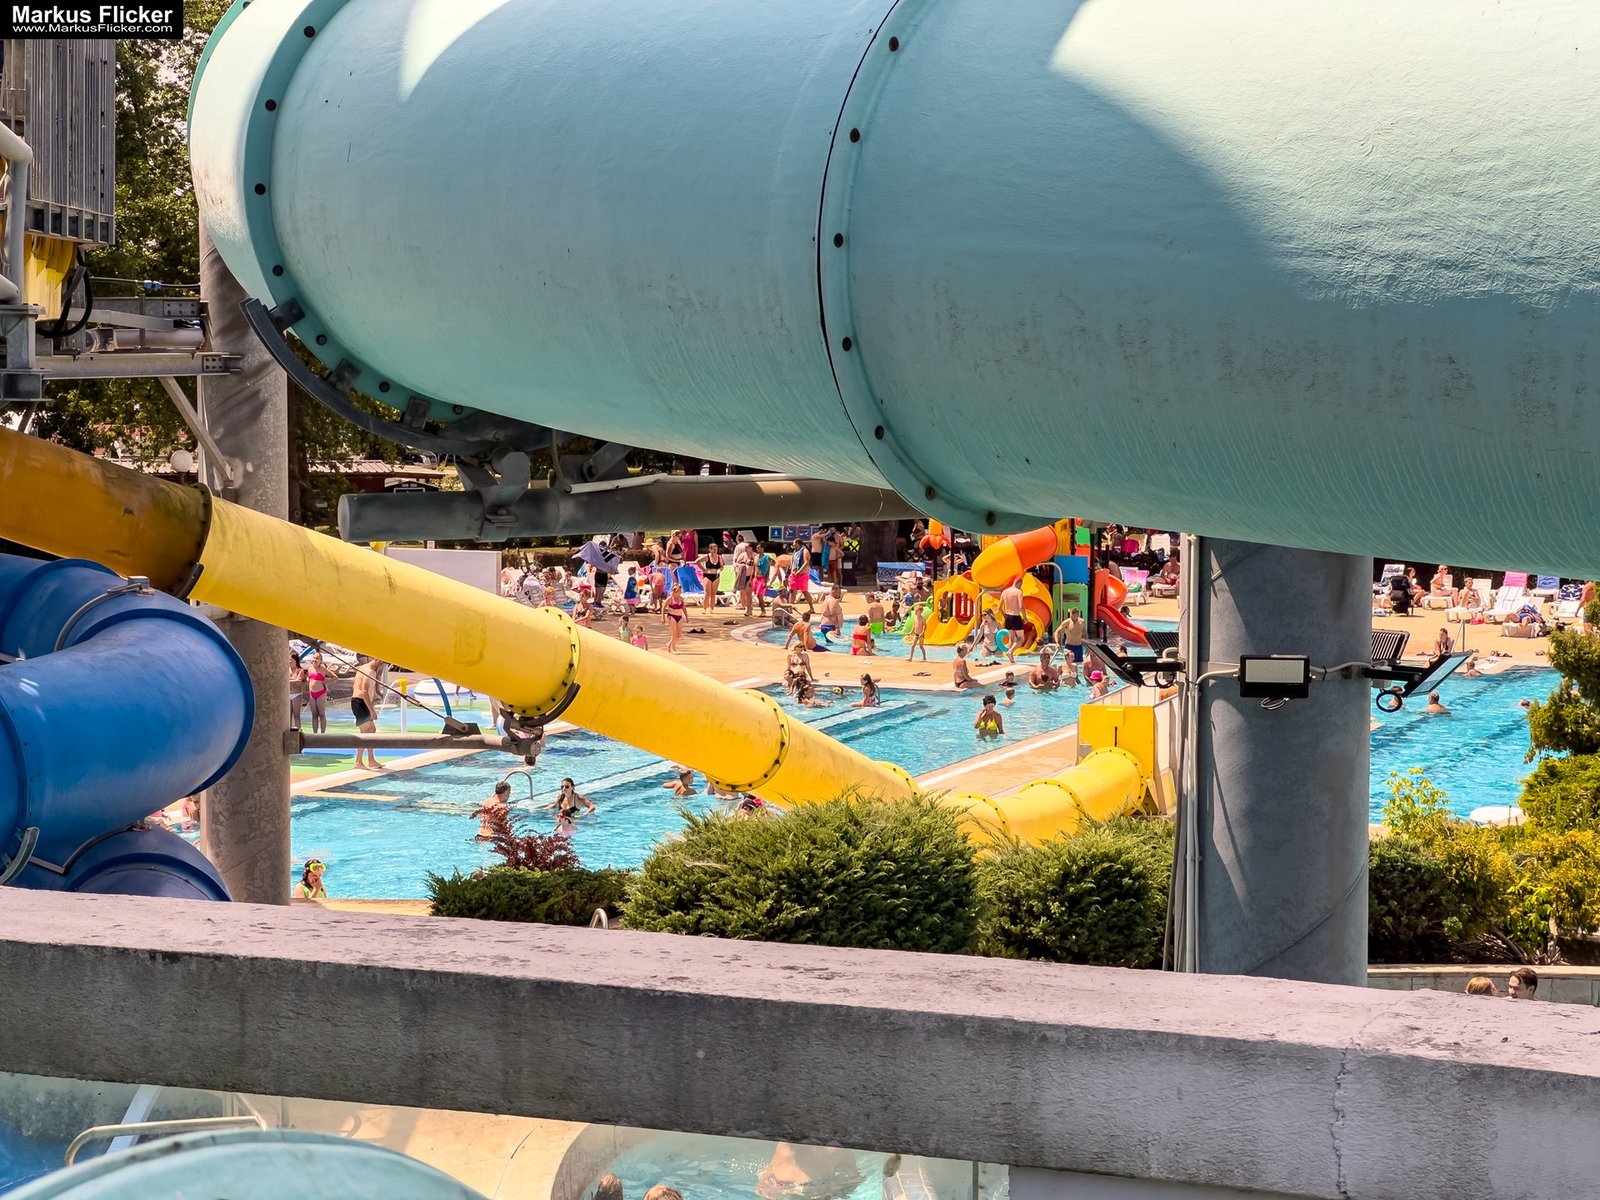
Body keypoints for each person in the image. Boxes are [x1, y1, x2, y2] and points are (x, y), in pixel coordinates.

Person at [351, 657, 385, 770]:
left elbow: (356, 686)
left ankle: (371, 760)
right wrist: (372, 711)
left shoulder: (365, 668)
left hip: (363, 702)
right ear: (378, 661)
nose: (381, 669)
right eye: (382, 666)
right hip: (360, 703)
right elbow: (364, 691)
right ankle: (358, 761)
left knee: (372, 730)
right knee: (365, 732)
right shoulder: (368, 671)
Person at [999, 580, 1026, 663]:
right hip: (1015, 616)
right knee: (1021, 638)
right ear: (1019, 583)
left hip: (1007, 617)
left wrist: (1004, 616)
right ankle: (1010, 652)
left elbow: (999, 608)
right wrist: (1025, 617)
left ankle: (1010, 660)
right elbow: (1021, 607)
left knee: (1012, 639)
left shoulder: (1004, 592)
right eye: (1020, 585)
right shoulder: (1018, 592)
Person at [305, 651, 330, 734]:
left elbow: (335, 677)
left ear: (320, 661)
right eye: (314, 658)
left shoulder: (323, 669)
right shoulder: (310, 669)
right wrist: (307, 685)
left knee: (322, 714)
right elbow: (309, 679)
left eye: (317, 658)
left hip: (321, 693)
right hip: (312, 694)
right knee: (314, 715)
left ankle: (323, 734)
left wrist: (326, 683)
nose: (315, 660)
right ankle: (314, 734)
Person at [700, 540, 724, 613]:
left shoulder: (719, 557)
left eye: (716, 549)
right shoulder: (707, 556)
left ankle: (711, 608)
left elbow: (722, 566)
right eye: (713, 549)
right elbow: (697, 562)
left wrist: (719, 570)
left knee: (713, 593)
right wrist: (703, 569)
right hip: (708, 575)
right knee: (707, 593)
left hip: (716, 576)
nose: (715, 551)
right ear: (710, 550)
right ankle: (704, 609)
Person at [664, 581, 687, 652]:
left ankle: (669, 644)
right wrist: (662, 617)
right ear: (674, 592)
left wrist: (687, 617)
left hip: (679, 616)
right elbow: (663, 607)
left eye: (680, 591)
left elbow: (684, 608)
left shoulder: (681, 599)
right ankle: (673, 649)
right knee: (674, 633)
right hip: (672, 616)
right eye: (678, 591)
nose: (680, 593)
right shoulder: (670, 599)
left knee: (679, 635)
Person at [289, 649, 308, 731]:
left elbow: (298, 682)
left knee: (296, 715)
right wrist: (293, 681)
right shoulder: (287, 669)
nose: (289, 661)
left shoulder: (300, 670)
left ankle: (298, 731)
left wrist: (288, 681)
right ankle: (289, 731)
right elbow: (295, 681)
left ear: (295, 660)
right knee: (288, 715)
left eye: (291, 659)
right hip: (288, 693)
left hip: (296, 694)